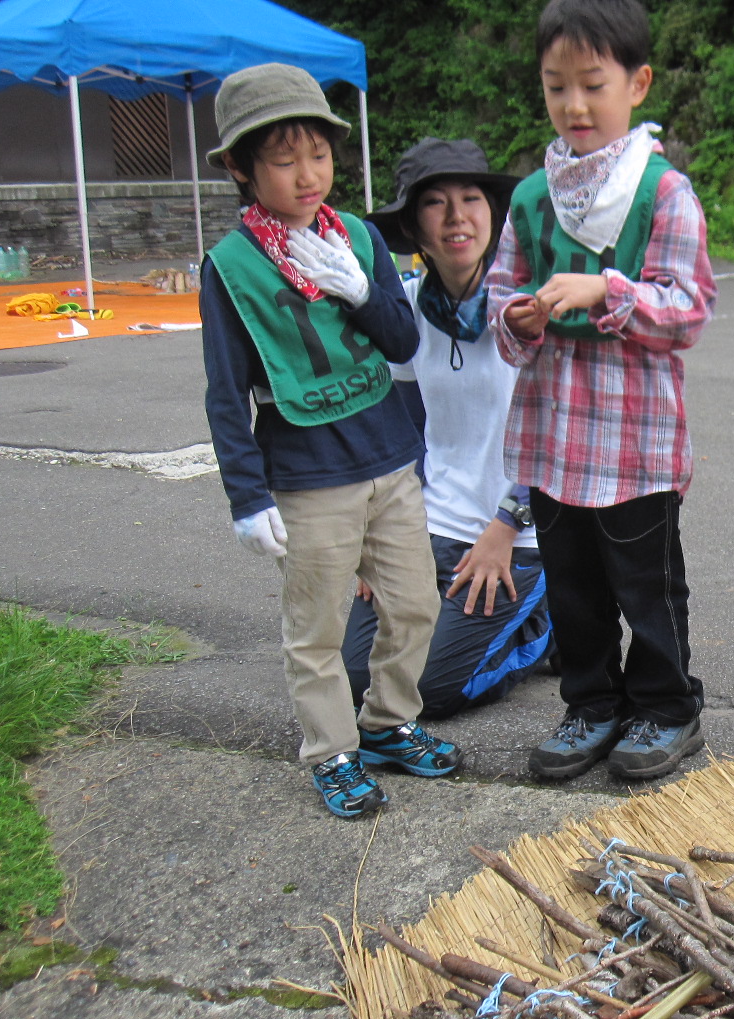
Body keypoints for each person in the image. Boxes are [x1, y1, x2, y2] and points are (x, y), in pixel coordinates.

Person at [200, 64, 461, 820]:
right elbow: (225, 391)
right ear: (242, 169)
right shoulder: (231, 268)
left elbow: (402, 340)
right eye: (285, 161)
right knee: (315, 629)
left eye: (318, 154)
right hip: (308, 475)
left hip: (390, 456)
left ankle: (387, 724)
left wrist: (361, 287)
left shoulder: (360, 238)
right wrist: (246, 497)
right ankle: (331, 752)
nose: (309, 175)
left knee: (415, 604)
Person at [488, 0, 716, 781]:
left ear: (637, 84)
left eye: (593, 84)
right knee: (573, 588)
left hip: (636, 442)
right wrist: (518, 317)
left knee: (648, 588)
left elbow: (687, 310)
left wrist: (606, 289)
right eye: (557, 87)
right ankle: (591, 704)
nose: (574, 105)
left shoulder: (663, 192)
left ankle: (668, 709)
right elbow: (499, 298)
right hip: (553, 438)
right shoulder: (530, 198)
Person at [356, 138, 553, 718]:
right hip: (431, 525)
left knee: (431, 690)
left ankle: (551, 623)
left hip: (517, 532)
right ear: (413, 227)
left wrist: (505, 526)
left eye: (470, 198)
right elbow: (405, 432)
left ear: (494, 215)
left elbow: (555, 434)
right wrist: (381, 534)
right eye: (435, 203)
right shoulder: (407, 309)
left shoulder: (527, 308)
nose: (456, 217)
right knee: (357, 678)